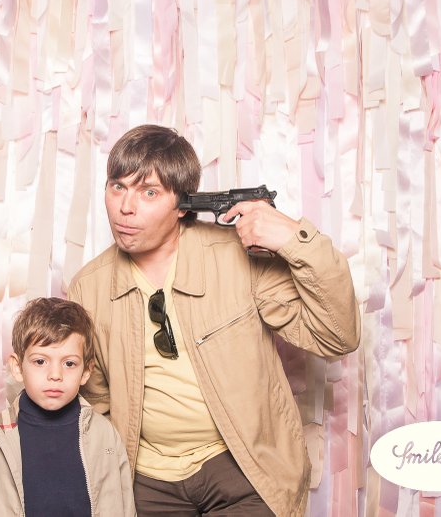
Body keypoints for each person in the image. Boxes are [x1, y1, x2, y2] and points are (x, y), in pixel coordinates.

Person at [68, 125, 360, 516]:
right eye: (117, 187)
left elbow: (337, 336)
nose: (126, 207)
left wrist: (296, 239)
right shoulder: (88, 287)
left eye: (149, 192)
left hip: (244, 468)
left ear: (183, 204)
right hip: (146, 479)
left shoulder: (238, 258)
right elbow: (95, 400)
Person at [0, 297, 136, 516]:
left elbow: (125, 507)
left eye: (69, 363)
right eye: (40, 361)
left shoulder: (104, 435)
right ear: (18, 367)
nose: (55, 375)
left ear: (86, 371)